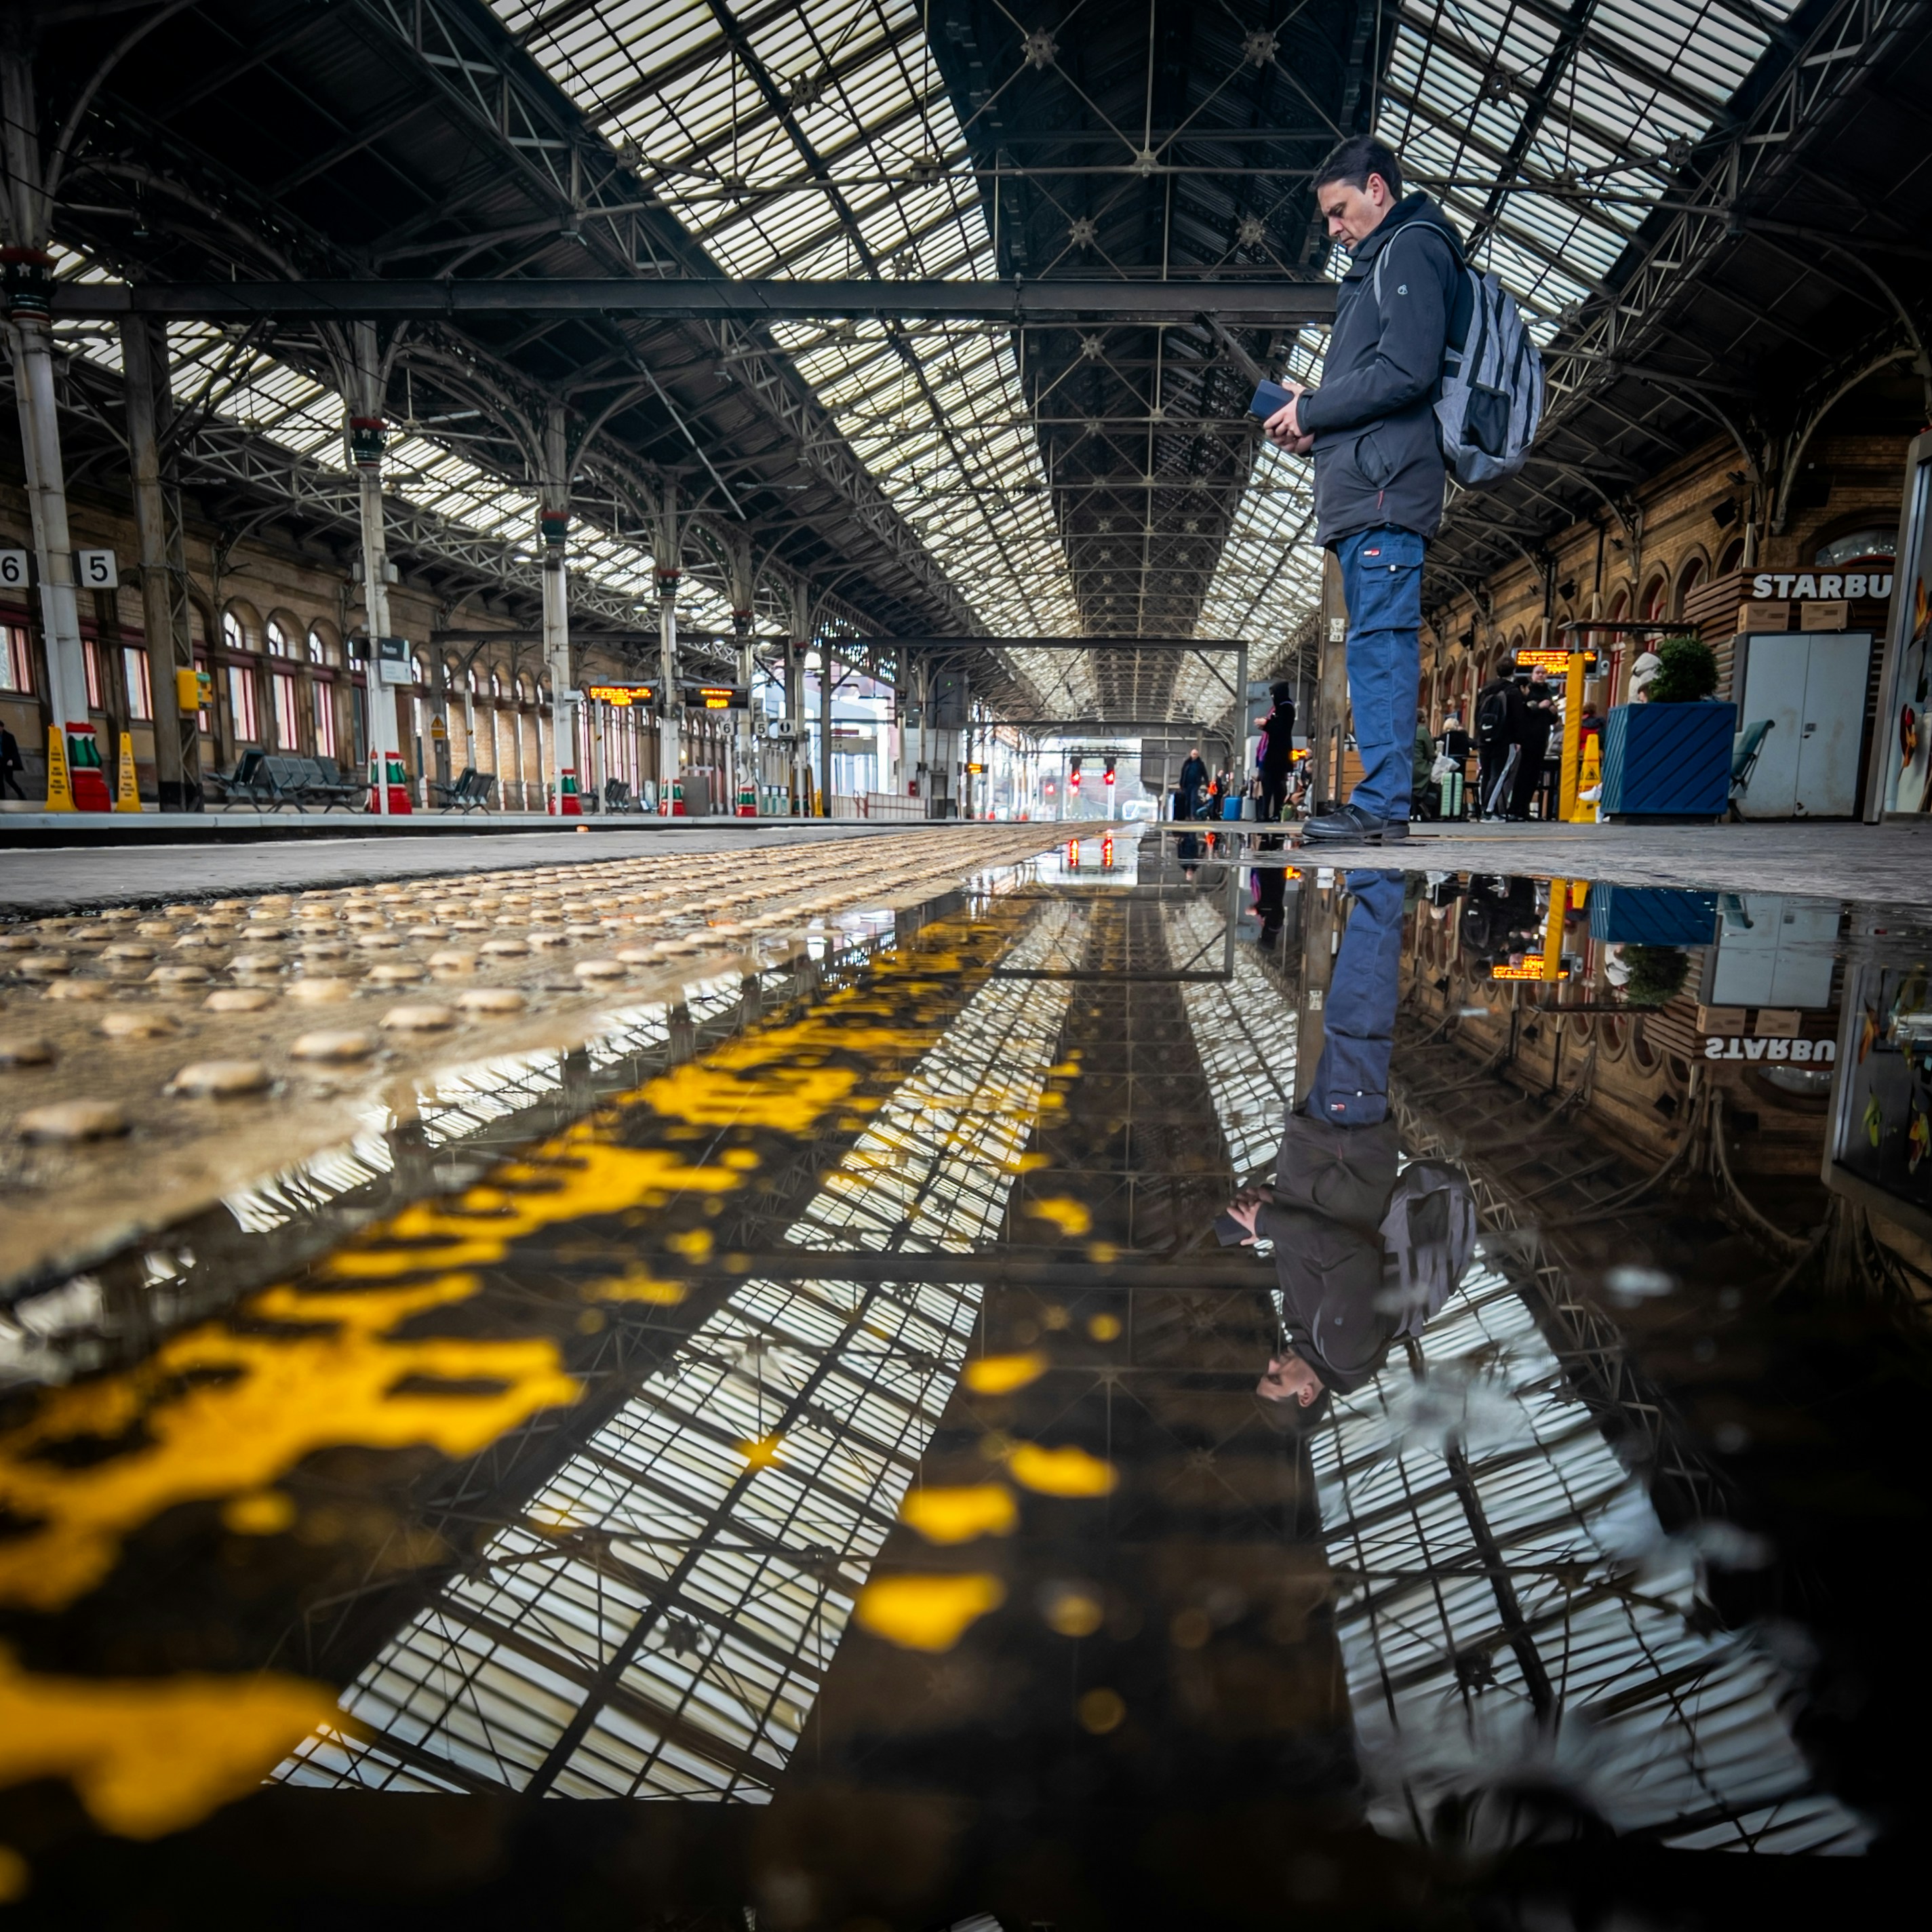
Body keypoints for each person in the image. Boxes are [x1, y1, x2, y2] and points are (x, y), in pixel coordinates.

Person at [1263, 134, 1461, 846]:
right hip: (1365, 486)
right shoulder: (1379, 264)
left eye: (1339, 210)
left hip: (1384, 490)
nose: (1333, 228)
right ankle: (1378, 801)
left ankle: (1380, 805)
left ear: (1376, 188)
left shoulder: (1408, 249)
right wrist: (1314, 420)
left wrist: (1313, 410)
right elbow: (1377, 383)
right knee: (1374, 643)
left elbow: (1407, 371)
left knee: (1380, 645)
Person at [1253, 681, 1298, 934]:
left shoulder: (1286, 708)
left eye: (1273, 693)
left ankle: (1269, 814)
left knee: (1274, 787)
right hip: (1275, 756)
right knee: (1271, 787)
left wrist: (1266, 724)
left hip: (1278, 755)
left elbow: (1281, 730)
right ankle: (1268, 814)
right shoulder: (1282, 707)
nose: (1271, 697)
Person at [1474, 668, 1524, 816]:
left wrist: (1480, 735)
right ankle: (1489, 811)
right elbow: (1517, 717)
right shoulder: (1512, 691)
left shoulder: (1485, 690)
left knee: (1486, 775)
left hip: (1484, 739)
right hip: (1503, 740)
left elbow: (1477, 714)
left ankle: (1485, 808)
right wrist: (1518, 740)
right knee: (1499, 775)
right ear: (1513, 671)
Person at [1512, 668, 1558, 819]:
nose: (1541, 675)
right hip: (1527, 739)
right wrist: (1539, 707)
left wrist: (1553, 712)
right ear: (1532, 675)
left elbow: (1552, 720)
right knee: (1522, 775)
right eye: (1538, 672)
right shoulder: (1527, 691)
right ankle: (1516, 808)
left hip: (1542, 738)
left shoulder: (1549, 692)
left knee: (1533, 776)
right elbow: (1523, 711)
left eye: (1544, 673)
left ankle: (1525, 809)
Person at [1411, 711, 1436, 819]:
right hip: (1419, 769)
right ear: (1422, 720)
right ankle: (1426, 804)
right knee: (1437, 777)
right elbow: (1431, 753)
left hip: (1405, 768)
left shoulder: (1406, 730)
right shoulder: (1422, 730)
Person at [1177, 745, 1208, 822]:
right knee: (1187, 800)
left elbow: (1205, 773)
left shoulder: (1200, 764)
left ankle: (1192, 816)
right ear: (1191, 754)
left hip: (1195, 784)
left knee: (1193, 800)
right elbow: (1183, 773)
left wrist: (1207, 783)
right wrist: (1181, 784)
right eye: (1193, 754)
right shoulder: (1187, 763)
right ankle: (1187, 815)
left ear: (1198, 755)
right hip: (1187, 784)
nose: (1194, 755)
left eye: (1196, 754)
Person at [0, 724, 23, 801]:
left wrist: (11, 759)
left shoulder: (9, 737)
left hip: (7, 760)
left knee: (9, 779)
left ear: (2, 727)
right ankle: (2, 797)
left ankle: (21, 794)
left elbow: (13, 750)